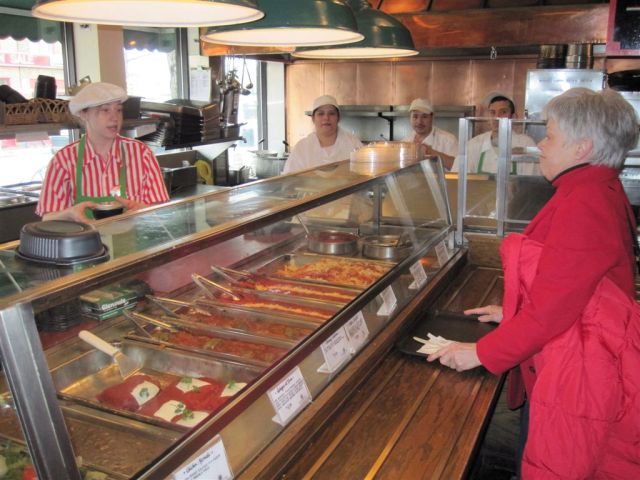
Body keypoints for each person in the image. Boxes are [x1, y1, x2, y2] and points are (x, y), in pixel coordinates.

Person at [428, 88, 640, 478]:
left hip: (575, 374)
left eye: (551, 136)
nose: (541, 144)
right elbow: (575, 290)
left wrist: (481, 353)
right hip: (575, 355)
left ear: (582, 148)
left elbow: (551, 314)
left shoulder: (584, 203)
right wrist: (512, 312)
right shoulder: (594, 187)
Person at [36, 82, 169, 222]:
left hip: (134, 236)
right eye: (105, 110)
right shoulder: (63, 161)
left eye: (118, 110)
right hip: (85, 237)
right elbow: (48, 220)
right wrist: (69, 214)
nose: (115, 118)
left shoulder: (141, 154)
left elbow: (162, 215)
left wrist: (145, 211)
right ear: (83, 114)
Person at [452, 91, 537, 175]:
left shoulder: (526, 144)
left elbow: (531, 181)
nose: (497, 117)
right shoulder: (473, 145)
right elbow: (457, 177)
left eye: (503, 112)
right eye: (492, 112)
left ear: (513, 117)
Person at [282, 95, 362, 174]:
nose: (326, 118)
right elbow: (290, 179)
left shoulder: (353, 144)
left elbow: (364, 174)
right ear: (313, 118)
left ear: (338, 118)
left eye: (331, 113)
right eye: (321, 114)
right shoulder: (301, 149)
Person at [401, 98, 458, 170]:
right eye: (415, 116)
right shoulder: (405, 142)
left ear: (432, 117)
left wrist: (430, 152)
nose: (419, 122)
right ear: (410, 118)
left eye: (424, 117)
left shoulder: (448, 140)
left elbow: (459, 167)